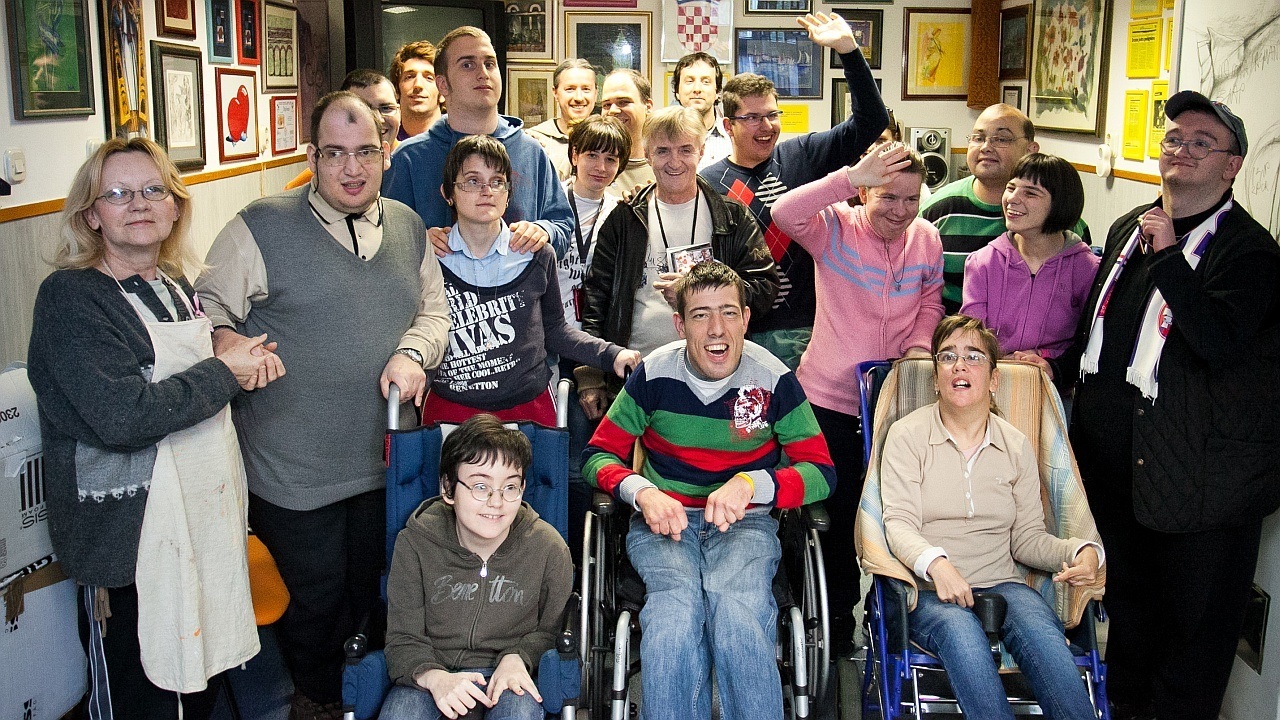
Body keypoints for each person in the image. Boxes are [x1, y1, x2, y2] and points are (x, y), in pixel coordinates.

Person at [195, 91, 451, 720]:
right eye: (335, 153)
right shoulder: (260, 225)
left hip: (384, 463)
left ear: (386, 153)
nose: (352, 168)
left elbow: (434, 313)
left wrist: (414, 353)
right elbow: (207, 307)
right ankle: (317, 702)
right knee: (310, 604)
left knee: (375, 593)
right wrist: (227, 341)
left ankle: (365, 698)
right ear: (312, 157)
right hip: (293, 470)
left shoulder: (409, 226)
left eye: (365, 151)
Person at [1044, 92, 1280, 720]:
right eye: (1174, 138)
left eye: (1202, 143)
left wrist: (1172, 256)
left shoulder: (1251, 254)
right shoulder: (1132, 227)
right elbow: (1102, 331)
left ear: (1231, 165)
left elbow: (1216, 343)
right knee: (1130, 622)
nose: (1182, 150)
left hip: (1199, 490)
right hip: (1120, 479)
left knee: (1190, 642)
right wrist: (1053, 371)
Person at [27, 137, 282, 718]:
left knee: (197, 689)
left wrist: (239, 362)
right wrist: (225, 372)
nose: (138, 203)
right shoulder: (71, 299)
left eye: (152, 190)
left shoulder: (174, 287)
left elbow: (190, 390)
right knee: (142, 698)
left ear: (174, 207)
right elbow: (125, 417)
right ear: (91, 214)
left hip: (197, 529)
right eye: (118, 194)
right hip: (129, 547)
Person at [583, 262, 835, 720]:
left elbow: (820, 471)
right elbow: (598, 456)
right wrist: (642, 493)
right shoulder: (654, 375)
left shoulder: (773, 378)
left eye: (728, 312)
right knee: (672, 622)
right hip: (666, 523)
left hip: (746, 523)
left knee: (739, 616)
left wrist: (752, 484)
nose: (717, 329)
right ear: (680, 325)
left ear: (746, 318)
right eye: (701, 315)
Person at [880, 314, 1102, 720]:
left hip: (1003, 584)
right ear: (936, 379)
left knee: (1044, 639)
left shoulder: (1015, 445)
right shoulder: (907, 435)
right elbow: (898, 523)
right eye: (947, 356)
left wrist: (1079, 551)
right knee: (963, 634)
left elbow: (1028, 539)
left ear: (994, 379)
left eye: (973, 356)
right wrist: (938, 565)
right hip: (927, 593)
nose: (959, 365)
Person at [772, 141, 944, 654]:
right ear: (865, 192)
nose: (901, 211)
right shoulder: (835, 230)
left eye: (911, 199)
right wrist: (849, 176)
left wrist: (918, 349)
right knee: (836, 519)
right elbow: (784, 212)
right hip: (828, 402)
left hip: (894, 402)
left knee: (896, 519)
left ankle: (890, 621)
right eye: (888, 197)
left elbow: (931, 302)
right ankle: (832, 630)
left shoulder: (926, 238)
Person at [701, 11, 889, 370]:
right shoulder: (708, 182)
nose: (766, 126)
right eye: (752, 118)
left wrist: (849, 51)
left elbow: (872, 121)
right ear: (727, 125)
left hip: (808, 331)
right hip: (737, 333)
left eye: (772, 115)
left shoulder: (802, 155)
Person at [424, 136, 640, 426]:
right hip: (451, 409)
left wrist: (611, 354)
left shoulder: (536, 254)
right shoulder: (430, 257)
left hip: (527, 409)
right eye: (472, 181)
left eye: (497, 181)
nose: (486, 191)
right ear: (448, 192)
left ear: (509, 193)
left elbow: (556, 330)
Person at [578, 106, 778, 405]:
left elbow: (764, 288)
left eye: (685, 150)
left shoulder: (732, 217)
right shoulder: (625, 219)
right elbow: (597, 300)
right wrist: (592, 374)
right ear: (647, 155)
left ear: (701, 151)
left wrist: (697, 293)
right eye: (663, 151)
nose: (674, 162)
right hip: (636, 376)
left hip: (718, 376)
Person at [380, 414, 573, 720]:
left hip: (509, 673)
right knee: (402, 713)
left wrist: (520, 656)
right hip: (433, 668)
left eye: (510, 487)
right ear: (448, 488)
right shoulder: (415, 542)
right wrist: (433, 676)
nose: (496, 502)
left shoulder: (548, 548)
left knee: (520, 711)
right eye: (480, 486)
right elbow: (403, 638)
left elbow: (554, 631)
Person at [385, 27, 573, 259]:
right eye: (468, 65)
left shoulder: (532, 152)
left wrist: (545, 231)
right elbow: (385, 239)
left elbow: (562, 226)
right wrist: (415, 243)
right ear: (442, 85)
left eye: (489, 64)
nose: (483, 73)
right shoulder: (408, 159)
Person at [920, 103, 1089, 312]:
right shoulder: (936, 210)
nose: (986, 147)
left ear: (1030, 149)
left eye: (1001, 139)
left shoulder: (1060, 221)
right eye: (978, 138)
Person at [554, 115, 631, 559]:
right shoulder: (550, 204)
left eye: (612, 159)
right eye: (591, 155)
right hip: (553, 343)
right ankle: (562, 553)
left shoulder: (623, 213)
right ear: (573, 155)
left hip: (598, 348)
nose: (600, 167)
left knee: (589, 455)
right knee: (558, 454)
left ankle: (590, 558)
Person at [961, 153, 1098, 363]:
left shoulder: (1087, 269)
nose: (1012, 199)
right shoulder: (983, 262)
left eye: (1030, 193)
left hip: (1055, 376)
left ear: (1061, 203)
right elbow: (972, 337)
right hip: (993, 372)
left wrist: (1046, 358)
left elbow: (1090, 343)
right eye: (1011, 188)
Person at [285, 68, 401, 190]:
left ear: (399, 111)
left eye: (386, 108)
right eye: (363, 109)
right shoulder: (308, 183)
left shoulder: (413, 166)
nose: (378, 119)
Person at [526, 58, 597, 180]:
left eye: (586, 89)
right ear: (555, 93)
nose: (579, 97)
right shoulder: (534, 140)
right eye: (570, 89)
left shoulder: (609, 140)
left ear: (596, 93)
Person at [671, 51, 731, 169]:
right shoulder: (663, 137)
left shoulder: (734, 138)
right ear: (677, 91)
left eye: (705, 82)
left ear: (717, 92)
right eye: (689, 81)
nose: (697, 89)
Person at [600, 69, 656, 195]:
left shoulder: (667, 164)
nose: (613, 110)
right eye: (607, 105)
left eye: (623, 102)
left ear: (648, 107)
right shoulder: (583, 162)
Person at [389, 40, 441, 140]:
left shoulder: (461, 138)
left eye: (429, 78)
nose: (418, 85)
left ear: (443, 91)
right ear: (396, 90)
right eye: (409, 77)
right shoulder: (385, 139)